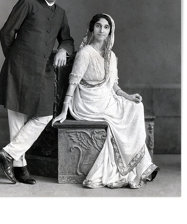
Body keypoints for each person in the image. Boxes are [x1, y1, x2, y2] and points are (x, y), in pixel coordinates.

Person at [52, 13, 159, 189]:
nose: (102, 30)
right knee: (125, 115)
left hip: (106, 97)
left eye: (106, 27)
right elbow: (73, 83)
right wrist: (64, 110)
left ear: (110, 31)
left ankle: (133, 169)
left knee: (136, 106)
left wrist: (128, 97)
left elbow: (113, 86)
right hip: (87, 102)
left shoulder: (111, 55)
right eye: (98, 26)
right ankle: (133, 169)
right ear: (91, 29)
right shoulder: (86, 53)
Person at [0, 0, 74, 184]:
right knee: (18, 118)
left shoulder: (61, 14)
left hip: (43, 73)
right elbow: (7, 32)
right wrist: (15, 60)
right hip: (19, 70)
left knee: (44, 115)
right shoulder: (26, 4)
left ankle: (8, 154)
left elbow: (67, 39)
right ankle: (21, 167)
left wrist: (63, 51)